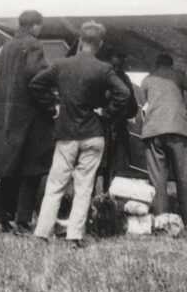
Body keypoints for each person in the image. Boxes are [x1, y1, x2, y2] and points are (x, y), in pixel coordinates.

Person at [29, 21, 130, 248]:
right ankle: (75, 236)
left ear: (81, 40)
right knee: (84, 188)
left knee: (55, 185)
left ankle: (42, 234)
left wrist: (51, 107)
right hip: (93, 133)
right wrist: (106, 112)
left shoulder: (61, 65)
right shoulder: (103, 69)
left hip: (66, 133)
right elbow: (123, 93)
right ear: (100, 44)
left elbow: (36, 85)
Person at [0, 10, 54, 234]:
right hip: (30, 117)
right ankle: (23, 222)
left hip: (8, 117)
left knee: (10, 167)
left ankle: (3, 218)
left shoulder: (7, 47)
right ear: (35, 26)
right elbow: (38, 79)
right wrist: (50, 105)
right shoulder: (33, 45)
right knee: (31, 170)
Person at [140, 54, 187, 229]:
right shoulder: (179, 75)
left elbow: (145, 105)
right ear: (171, 65)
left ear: (156, 64)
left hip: (153, 132)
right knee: (183, 177)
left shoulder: (146, 80)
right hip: (177, 130)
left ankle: (161, 222)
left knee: (157, 180)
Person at [99, 50, 138, 192]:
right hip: (116, 128)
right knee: (112, 168)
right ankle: (107, 197)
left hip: (103, 127)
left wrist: (108, 112)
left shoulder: (102, 77)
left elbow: (132, 108)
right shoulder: (125, 79)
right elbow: (133, 109)